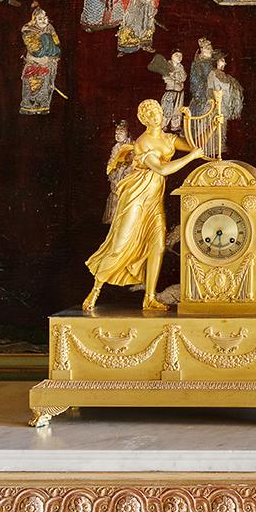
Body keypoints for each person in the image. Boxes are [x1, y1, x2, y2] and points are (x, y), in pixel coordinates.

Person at [82, 98, 204, 315]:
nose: (156, 117)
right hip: (136, 200)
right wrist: (191, 157)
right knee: (120, 244)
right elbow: (162, 169)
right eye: (150, 115)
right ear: (144, 120)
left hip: (154, 201)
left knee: (158, 246)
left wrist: (205, 123)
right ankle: (95, 290)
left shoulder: (169, 138)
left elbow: (197, 146)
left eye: (157, 112)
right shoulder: (143, 142)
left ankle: (150, 298)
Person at [19, 3, 60, 115]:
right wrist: (45, 54)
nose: (43, 20)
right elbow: (35, 50)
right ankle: (29, 107)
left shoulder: (50, 28)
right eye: (40, 18)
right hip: (35, 64)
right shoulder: (29, 31)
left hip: (49, 64)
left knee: (46, 87)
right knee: (33, 86)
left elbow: (56, 44)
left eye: (45, 18)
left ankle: (43, 107)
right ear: (34, 20)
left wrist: (55, 54)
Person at [206, 55, 244, 153]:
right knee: (216, 125)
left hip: (225, 104)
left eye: (224, 61)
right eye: (222, 60)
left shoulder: (226, 76)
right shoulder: (212, 74)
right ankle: (213, 147)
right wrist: (215, 98)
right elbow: (210, 89)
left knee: (223, 126)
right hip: (217, 104)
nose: (225, 63)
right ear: (216, 61)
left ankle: (220, 145)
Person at [148, 50, 187, 131]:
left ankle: (175, 126)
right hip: (170, 91)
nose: (179, 57)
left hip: (179, 91)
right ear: (171, 56)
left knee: (177, 109)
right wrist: (173, 76)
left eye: (181, 56)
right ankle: (163, 125)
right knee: (167, 108)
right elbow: (166, 77)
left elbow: (183, 77)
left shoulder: (181, 67)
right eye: (176, 55)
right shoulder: (166, 65)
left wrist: (174, 75)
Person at [103, 120, 132, 223]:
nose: (117, 135)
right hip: (116, 176)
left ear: (127, 133)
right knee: (115, 196)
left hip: (126, 176)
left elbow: (133, 163)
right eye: (116, 133)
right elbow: (111, 162)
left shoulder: (131, 146)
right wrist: (113, 172)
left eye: (121, 132)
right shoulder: (115, 147)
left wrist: (124, 171)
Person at [188, 38, 216, 117]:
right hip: (202, 95)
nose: (209, 50)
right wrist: (200, 95)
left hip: (213, 92)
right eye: (207, 48)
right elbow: (195, 81)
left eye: (210, 48)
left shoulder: (211, 62)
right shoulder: (197, 63)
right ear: (202, 49)